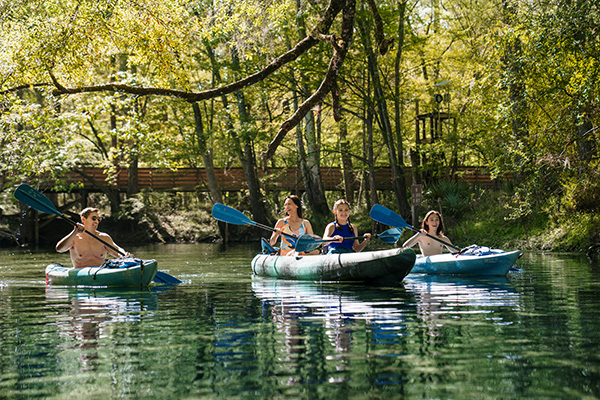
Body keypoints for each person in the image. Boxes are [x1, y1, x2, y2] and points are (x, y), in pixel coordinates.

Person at [56, 207, 130, 268]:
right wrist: (74, 232)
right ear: (83, 219)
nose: (96, 222)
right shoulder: (75, 238)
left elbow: (117, 250)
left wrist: (123, 254)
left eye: (98, 219)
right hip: (81, 276)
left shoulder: (103, 237)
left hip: (99, 273)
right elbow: (59, 249)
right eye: (94, 218)